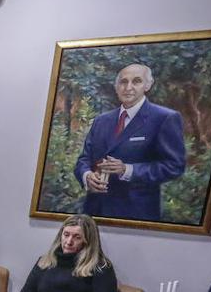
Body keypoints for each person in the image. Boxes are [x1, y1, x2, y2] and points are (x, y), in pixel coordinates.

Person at [72, 63, 186, 222]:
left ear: (147, 85)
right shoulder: (101, 121)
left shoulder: (164, 118)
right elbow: (83, 160)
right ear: (116, 87)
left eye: (136, 81)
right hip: (94, 212)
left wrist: (127, 169)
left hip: (136, 215)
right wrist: (87, 176)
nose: (128, 87)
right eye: (123, 82)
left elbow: (174, 166)